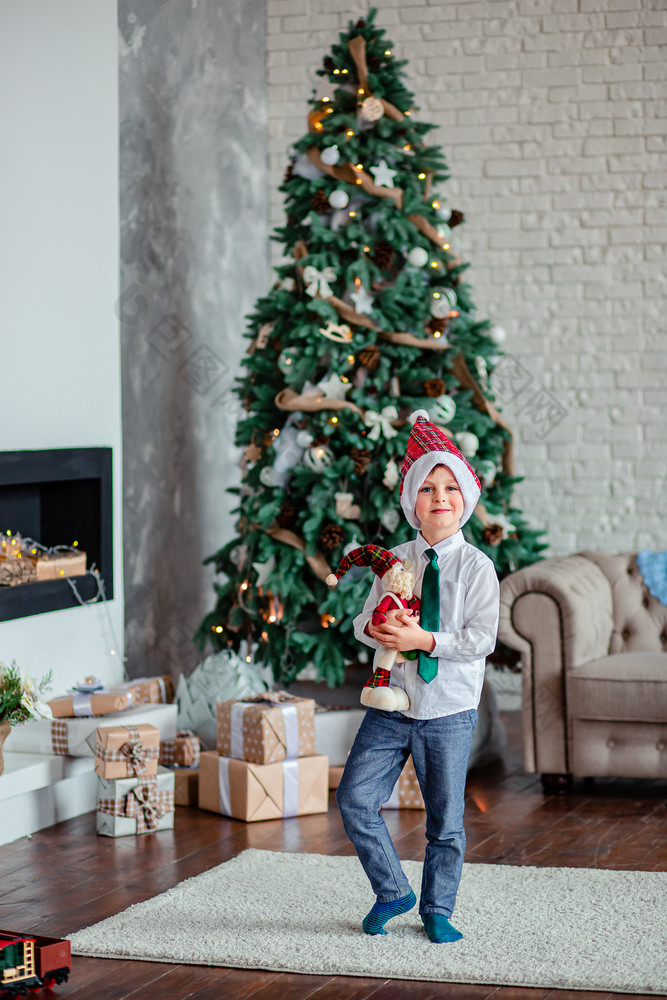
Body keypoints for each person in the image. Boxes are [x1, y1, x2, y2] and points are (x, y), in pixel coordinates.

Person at [336, 411, 500, 943]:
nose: (439, 497)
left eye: (450, 487)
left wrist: (424, 640)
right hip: (393, 704)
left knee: (445, 822)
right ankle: (392, 891)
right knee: (357, 799)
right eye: (428, 488)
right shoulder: (394, 560)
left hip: (448, 709)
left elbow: (481, 639)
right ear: (412, 499)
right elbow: (363, 620)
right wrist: (380, 628)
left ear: (465, 499)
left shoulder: (476, 568)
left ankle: (438, 909)